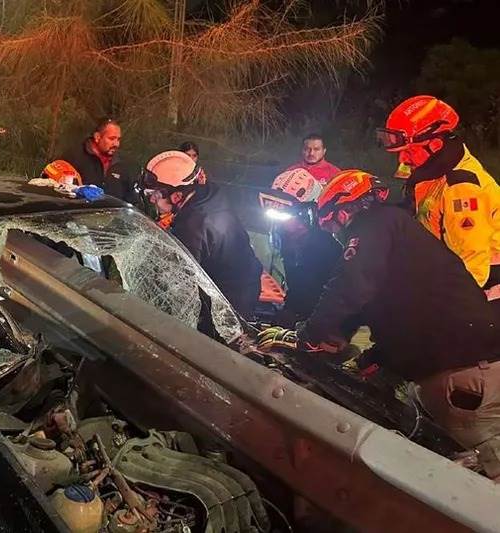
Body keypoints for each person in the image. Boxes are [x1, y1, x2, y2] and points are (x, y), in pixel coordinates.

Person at [257, 170, 500, 450]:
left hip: (463, 371)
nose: (334, 232)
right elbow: (396, 309)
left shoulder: (376, 225)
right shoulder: (395, 235)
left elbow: (350, 286)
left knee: (482, 474)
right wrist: (370, 355)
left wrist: (308, 336)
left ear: (344, 210)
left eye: (331, 222)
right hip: (454, 367)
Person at [378, 95, 500, 305]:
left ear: (434, 144)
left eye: (409, 151)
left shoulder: (461, 187)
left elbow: (472, 261)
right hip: (447, 269)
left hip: (485, 280)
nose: (403, 159)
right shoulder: (429, 171)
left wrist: (451, 308)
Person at [143, 150, 262, 317]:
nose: (151, 200)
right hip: (244, 278)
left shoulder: (193, 227)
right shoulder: (209, 194)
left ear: (177, 196)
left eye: (155, 195)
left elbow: (180, 284)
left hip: (229, 298)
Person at [259, 168, 341, 325]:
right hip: (299, 309)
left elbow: (332, 292)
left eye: (288, 214)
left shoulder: (328, 245)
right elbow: (296, 283)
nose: (282, 222)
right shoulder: (283, 236)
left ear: (308, 214)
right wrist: (289, 310)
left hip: (327, 317)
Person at [61, 118, 137, 203]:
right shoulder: (75, 156)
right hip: (81, 213)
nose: (116, 144)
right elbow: (56, 188)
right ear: (97, 137)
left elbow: (131, 198)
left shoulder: (122, 163)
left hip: (113, 215)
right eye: (112, 139)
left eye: (118, 139)